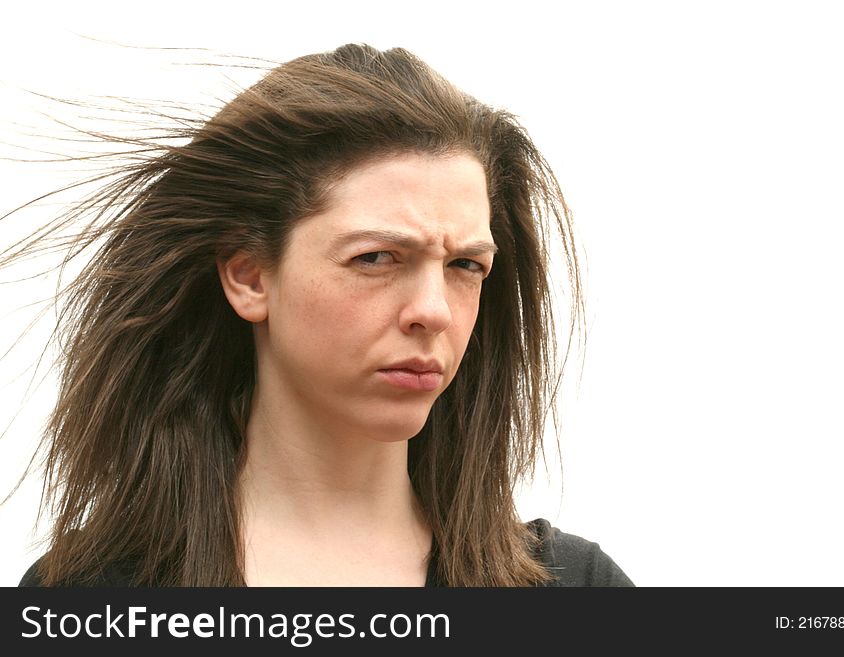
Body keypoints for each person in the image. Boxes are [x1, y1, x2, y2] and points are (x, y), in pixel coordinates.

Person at [10, 43, 632, 587]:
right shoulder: (90, 599)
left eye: (466, 266)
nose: (433, 312)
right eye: (378, 257)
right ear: (249, 276)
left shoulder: (575, 592)